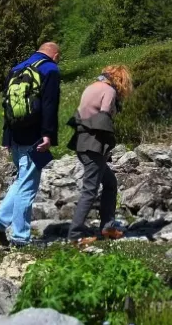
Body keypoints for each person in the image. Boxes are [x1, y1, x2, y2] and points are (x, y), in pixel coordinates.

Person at [0, 42, 61, 246]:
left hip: (16, 134)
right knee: (27, 187)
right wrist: (48, 135)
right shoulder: (50, 69)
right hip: (35, 136)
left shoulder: (16, 69)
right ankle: (20, 237)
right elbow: (49, 105)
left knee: (22, 180)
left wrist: (6, 138)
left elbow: (7, 104)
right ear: (54, 56)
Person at [67, 65, 133, 243]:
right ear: (120, 80)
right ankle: (75, 234)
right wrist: (109, 141)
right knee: (90, 190)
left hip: (82, 143)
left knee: (110, 183)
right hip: (94, 145)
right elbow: (103, 117)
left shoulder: (90, 87)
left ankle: (108, 227)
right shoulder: (109, 91)